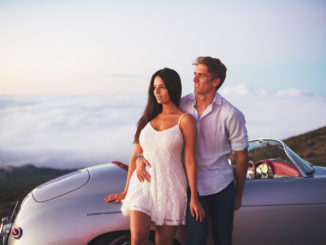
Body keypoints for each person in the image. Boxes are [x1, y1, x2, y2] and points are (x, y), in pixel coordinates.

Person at [136, 57, 249, 245]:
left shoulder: (231, 114)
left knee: (223, 239)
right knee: (196, 239)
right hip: (190, 186)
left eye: (201, 75)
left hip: (221, 185)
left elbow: (242, 158)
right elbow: (154, 134)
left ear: (215, 81)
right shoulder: (181, 104)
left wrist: (238, 196)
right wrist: (140, 156)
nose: (195, 79)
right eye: (195, 75)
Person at [104, 67, 205, 245]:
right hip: (143, 185)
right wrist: (126, 191)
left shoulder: (185, 120)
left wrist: (194, 198)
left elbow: (190, 160)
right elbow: (135, 154)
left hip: (170, 187)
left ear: (172, 88)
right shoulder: (148, 118)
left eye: (162, 87)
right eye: (154, 87)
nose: (156, 91)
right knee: (137, 239)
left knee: (163, 243)